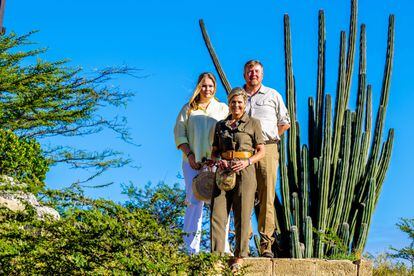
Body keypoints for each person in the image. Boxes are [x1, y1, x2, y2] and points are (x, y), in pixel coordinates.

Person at [174, 72, 230, 254]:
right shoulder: (189, 109)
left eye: (211, 86)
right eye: (204, 85)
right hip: (193, 162)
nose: (207, 89)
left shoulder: (222, 109)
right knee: (194, 202)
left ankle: (222, 248)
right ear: (199, 86)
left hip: (217, 163)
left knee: (219, 204)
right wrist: (189, 155)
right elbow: (179, 134)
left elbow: (228, 135)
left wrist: (218, 157)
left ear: (215, 88)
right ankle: (190, 249)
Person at [210, 87, 265, 270]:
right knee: (217, 213)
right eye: (233, 102)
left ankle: (240, 256)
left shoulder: (253, 123)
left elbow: (261, 151)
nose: (236, 105)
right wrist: (219, 161)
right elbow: (214, 151)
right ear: (229, 103)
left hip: (245, 170)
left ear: (245, 103)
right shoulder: (220, 125)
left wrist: (247, 162)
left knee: (242, 214)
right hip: (224, 171)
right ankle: (216, 257)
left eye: (240, 102)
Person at [243, 60, 290, 258]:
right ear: (244, 74)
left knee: (267, 196)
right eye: (249, 71)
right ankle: (242, 243)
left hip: (268, 148)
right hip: (243, 151)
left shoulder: (272, 95)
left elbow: (285, 123)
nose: (253, 74)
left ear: (262, 74)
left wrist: (269, 139)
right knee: (243, 195)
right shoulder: (238, 96)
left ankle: (266, 245)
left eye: (256, 71)